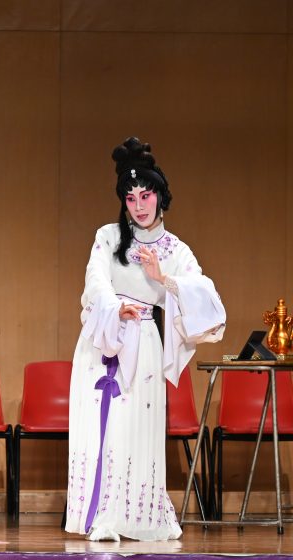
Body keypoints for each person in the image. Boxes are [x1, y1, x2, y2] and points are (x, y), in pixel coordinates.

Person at [65, 137, 225, 542]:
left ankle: (132, 514)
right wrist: (113, 308)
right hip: (103, 341)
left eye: (146, 194)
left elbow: (208, 299)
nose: (139, 204)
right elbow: (95, 280)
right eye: (131, 196)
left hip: (144, 344)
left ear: (160, 196)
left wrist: (162, 280)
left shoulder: (176, 250)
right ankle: (96, 516)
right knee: (100, 428)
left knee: (134, 428)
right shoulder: (107, 236)